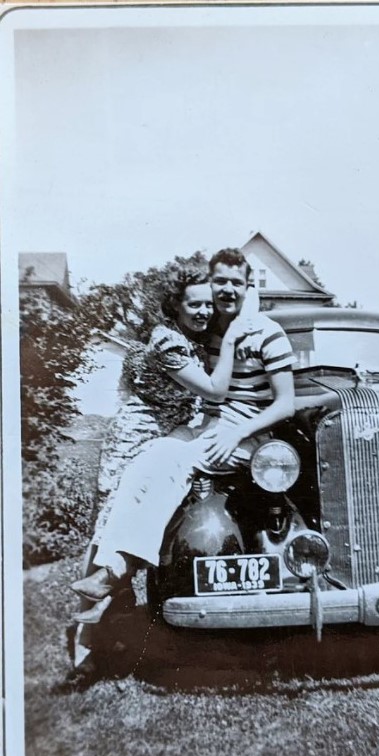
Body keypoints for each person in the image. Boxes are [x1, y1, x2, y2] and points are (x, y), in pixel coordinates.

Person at [71, 248, 296, 622]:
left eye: (235, 283)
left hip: (245, 436)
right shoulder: (208, 334)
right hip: (208, 428)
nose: (226, 290)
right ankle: (111, 571)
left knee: (171, 463)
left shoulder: (267, 333)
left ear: (248, 286)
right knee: (146, 461)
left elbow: (285, 404)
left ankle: (115, 571)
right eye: (219, 281)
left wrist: (238, 431)